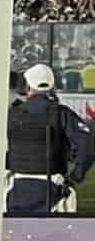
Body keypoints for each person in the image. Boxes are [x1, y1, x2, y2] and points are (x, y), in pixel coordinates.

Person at [5, 62, 95, 215]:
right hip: (52, 189)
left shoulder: (13, 114)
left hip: (16, 188)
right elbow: (87, 147)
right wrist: (75, 176)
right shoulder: (61, 113)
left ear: (27, 85)